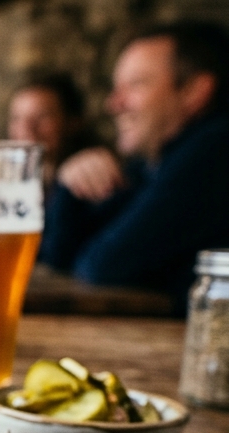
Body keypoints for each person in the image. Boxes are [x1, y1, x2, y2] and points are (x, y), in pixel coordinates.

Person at [37, 21, 229, 310]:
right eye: (117, 88)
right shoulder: (152, 164)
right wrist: (70, 188)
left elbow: (104, 265)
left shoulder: (215, 149)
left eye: (136, 84)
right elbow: (57, 258)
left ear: (194, 91)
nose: (114, 104)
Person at [7, 72, 97, 185]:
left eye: (42, 116)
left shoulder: (93, 178)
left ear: (72, 122)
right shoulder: (2, 184)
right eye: (17, 118)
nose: (26, 127)